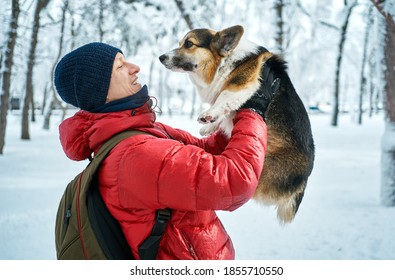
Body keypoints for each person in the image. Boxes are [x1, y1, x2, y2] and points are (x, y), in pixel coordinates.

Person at [54, 42, 275, 260]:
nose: (134, 67)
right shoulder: (136, 153)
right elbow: (233, 182)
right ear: (99, 91)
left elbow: (207, 151)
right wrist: (253, 111)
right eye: (120, 67)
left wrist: (236, 107)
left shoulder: (141, 131)